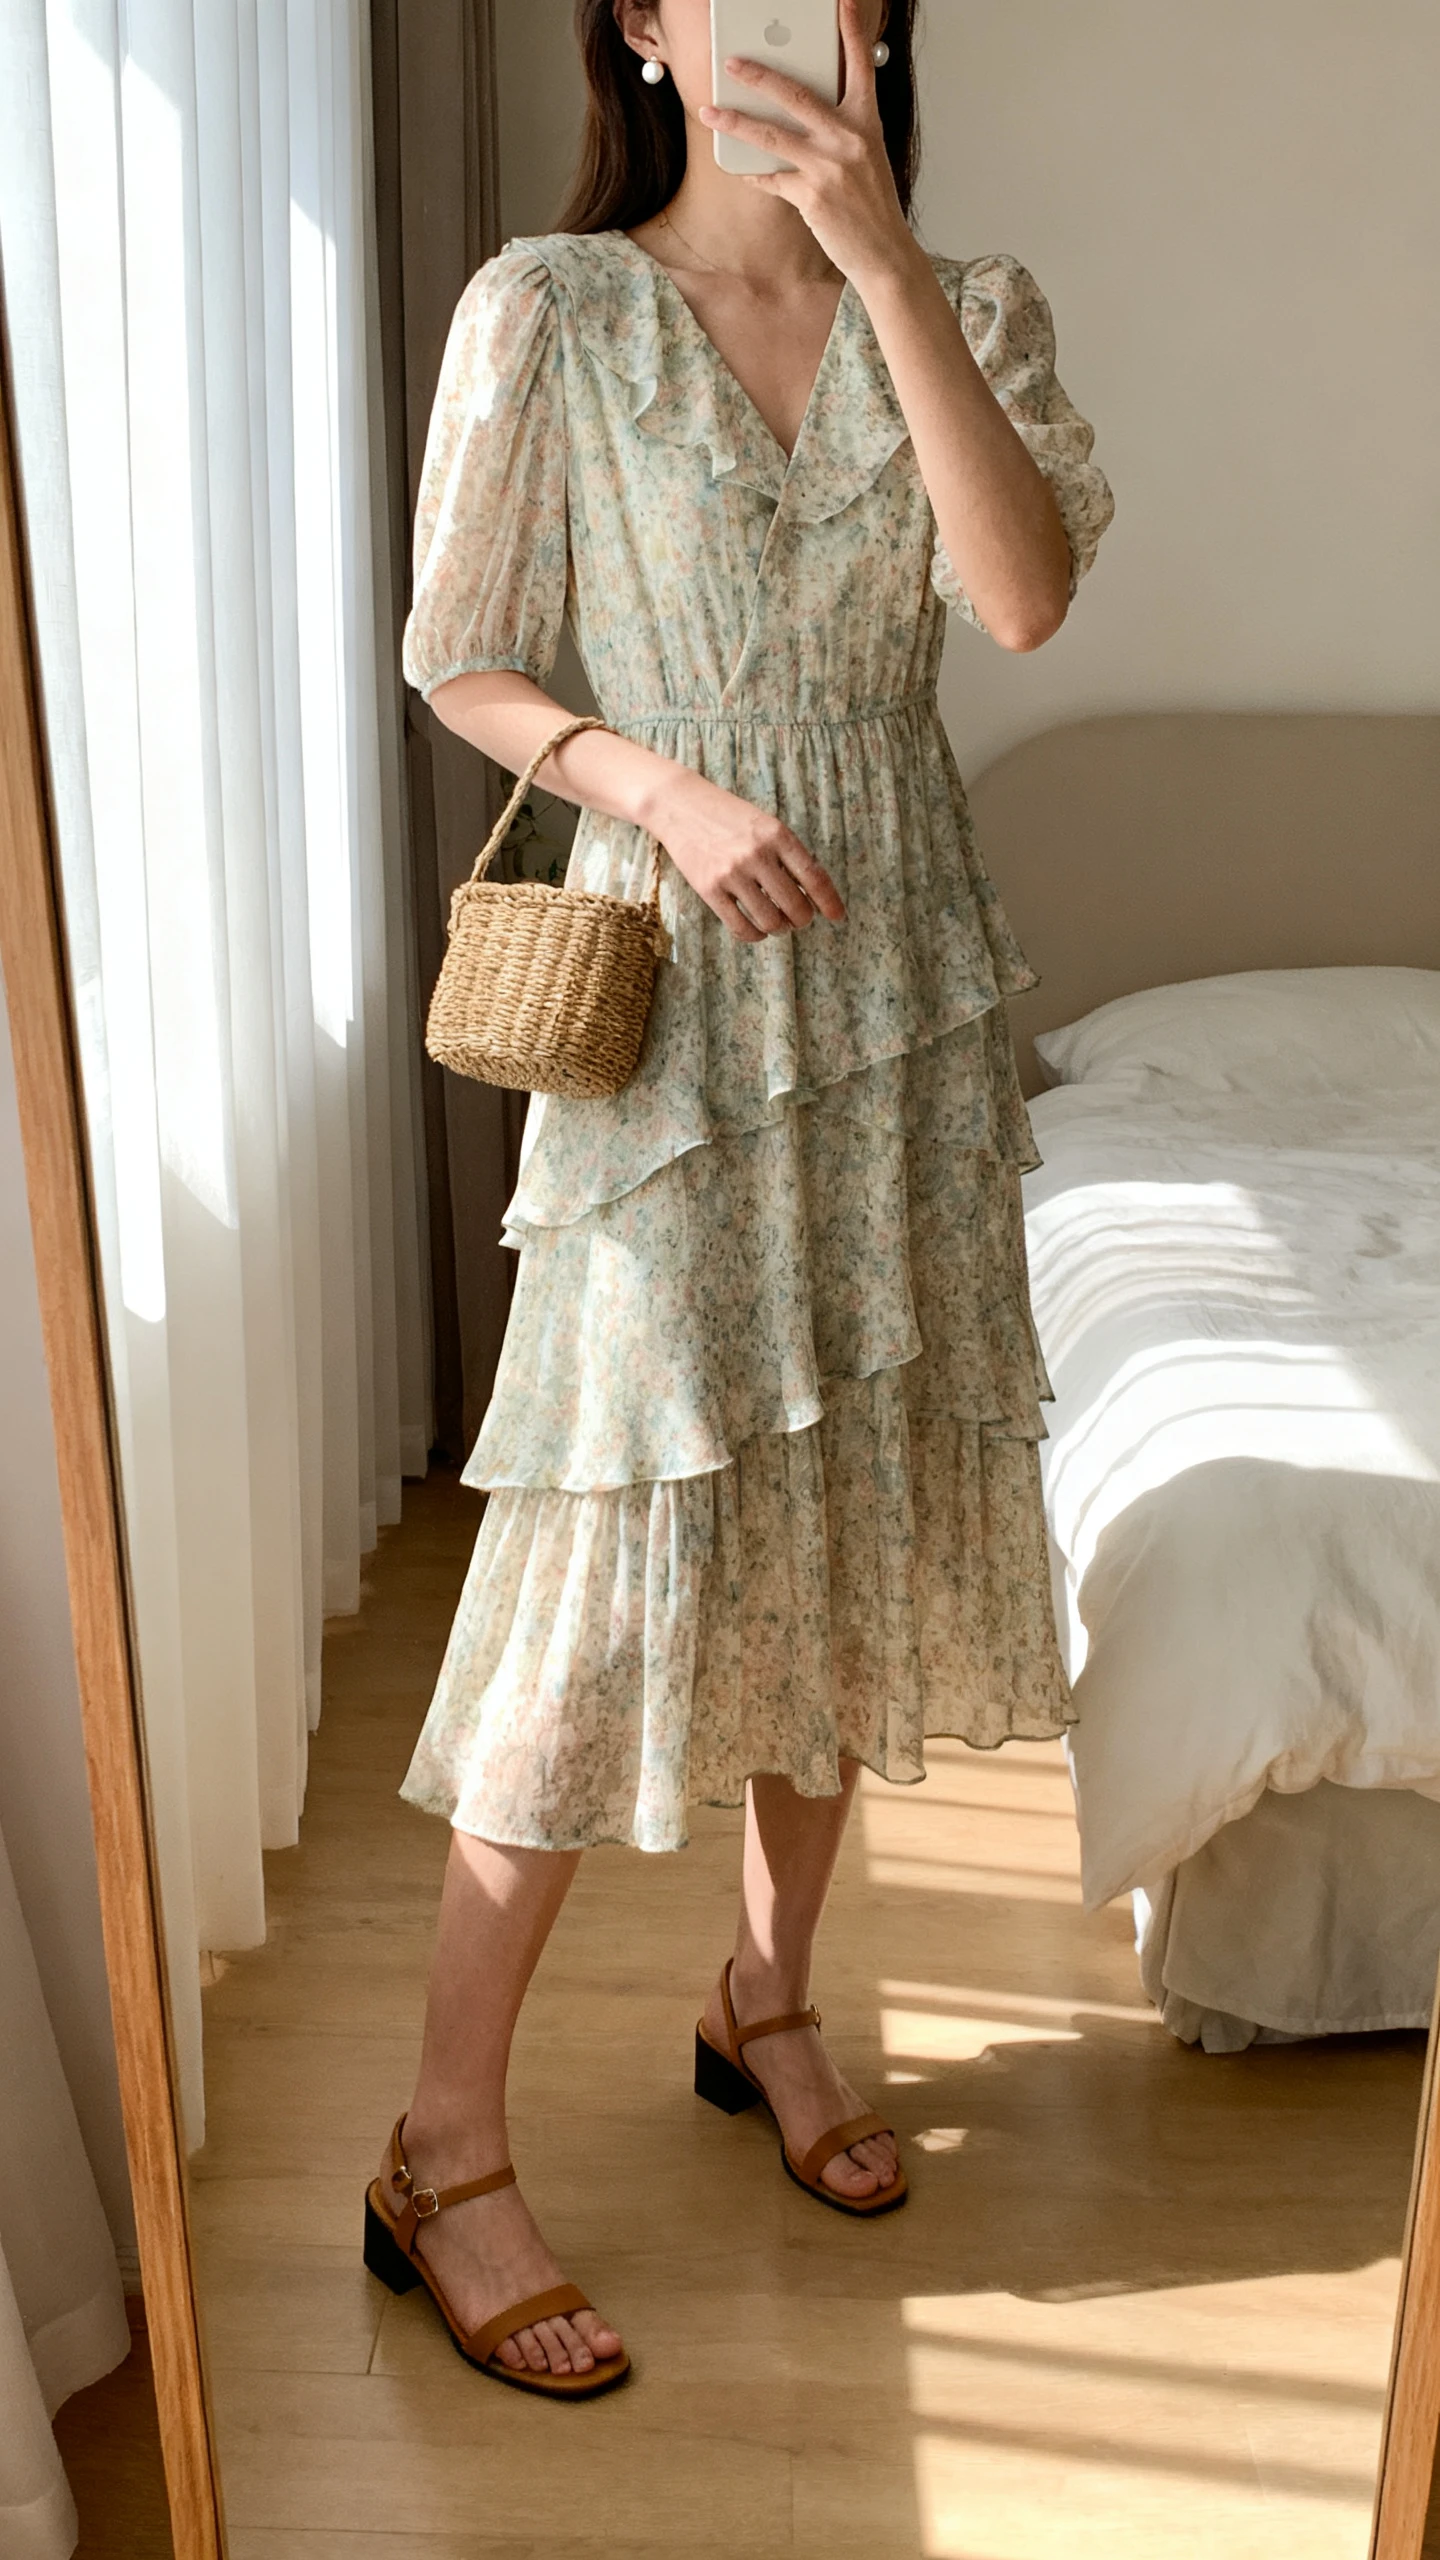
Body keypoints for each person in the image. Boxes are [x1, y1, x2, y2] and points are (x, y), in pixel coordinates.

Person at [364, 0, 1113, 2398]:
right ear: (651, 27)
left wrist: (883, 263)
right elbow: (455, 653)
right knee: (609, 1552)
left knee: (847, 1506)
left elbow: (1017, 610)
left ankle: (765, 1998)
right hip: (684, 989)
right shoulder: (552, 308)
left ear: (877, 31)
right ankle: (438, 2140)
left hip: (898, 978)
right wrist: (658, 790)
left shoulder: (977, 303)